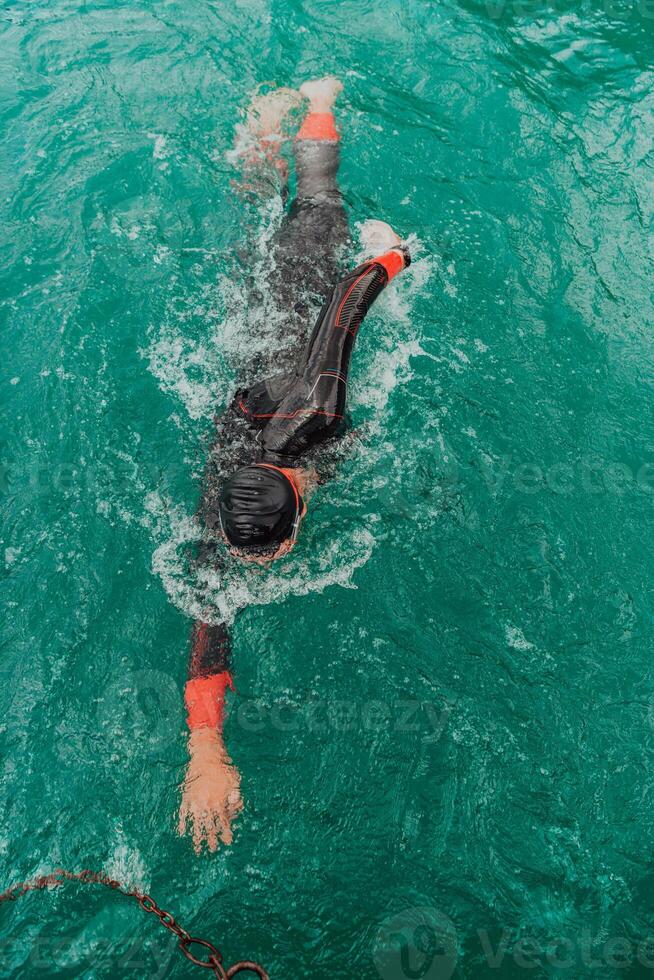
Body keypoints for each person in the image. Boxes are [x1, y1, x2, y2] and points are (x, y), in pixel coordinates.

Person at [178, 77, 411, 853]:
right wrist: (204, 754)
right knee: (250, 229)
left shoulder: (321, 411)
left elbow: (346, 303)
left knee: (313, 204)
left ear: (290, 524)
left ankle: (317, 96)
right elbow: (210, 619)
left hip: (305, 298)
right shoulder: (231, 498)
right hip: (250, 351)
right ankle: (258, 128)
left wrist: (398, 257)